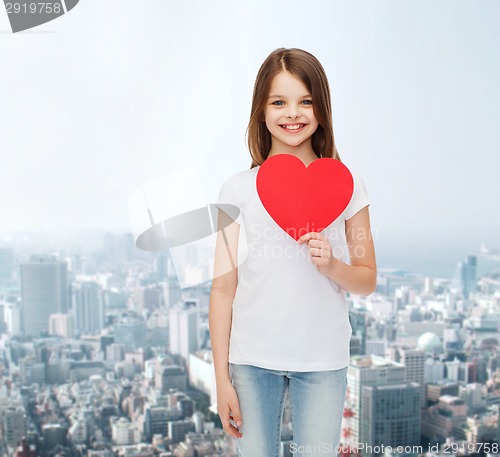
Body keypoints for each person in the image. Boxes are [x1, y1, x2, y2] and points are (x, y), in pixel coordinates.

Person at [209, 47, 377, 456]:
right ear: (261, 111)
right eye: (279, 102)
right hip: (251, 360)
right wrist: (221, 380)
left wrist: (332, 264)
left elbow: (367, 278)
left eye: (305, 101)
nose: (293, 113)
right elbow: (222, 289)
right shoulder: (237, 189)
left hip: (322, 359)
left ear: (322, 108)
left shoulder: (346, 184)